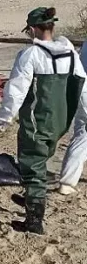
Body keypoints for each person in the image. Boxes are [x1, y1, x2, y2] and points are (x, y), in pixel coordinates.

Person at [0, 8, 86, 234]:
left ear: (33, 29)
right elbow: (82, 87)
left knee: (33, 164)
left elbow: (16, 90)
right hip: (60, 122)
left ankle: (34, 220)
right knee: (41, 158)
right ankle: (31, 195)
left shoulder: (31, 55)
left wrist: (4, 117)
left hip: (37, 120)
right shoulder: (70, 54)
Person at [57, 41, 87, 195]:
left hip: (81, 87)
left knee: (82, 132)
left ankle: (68, 180)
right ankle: (68, 181)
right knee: (84, 136)